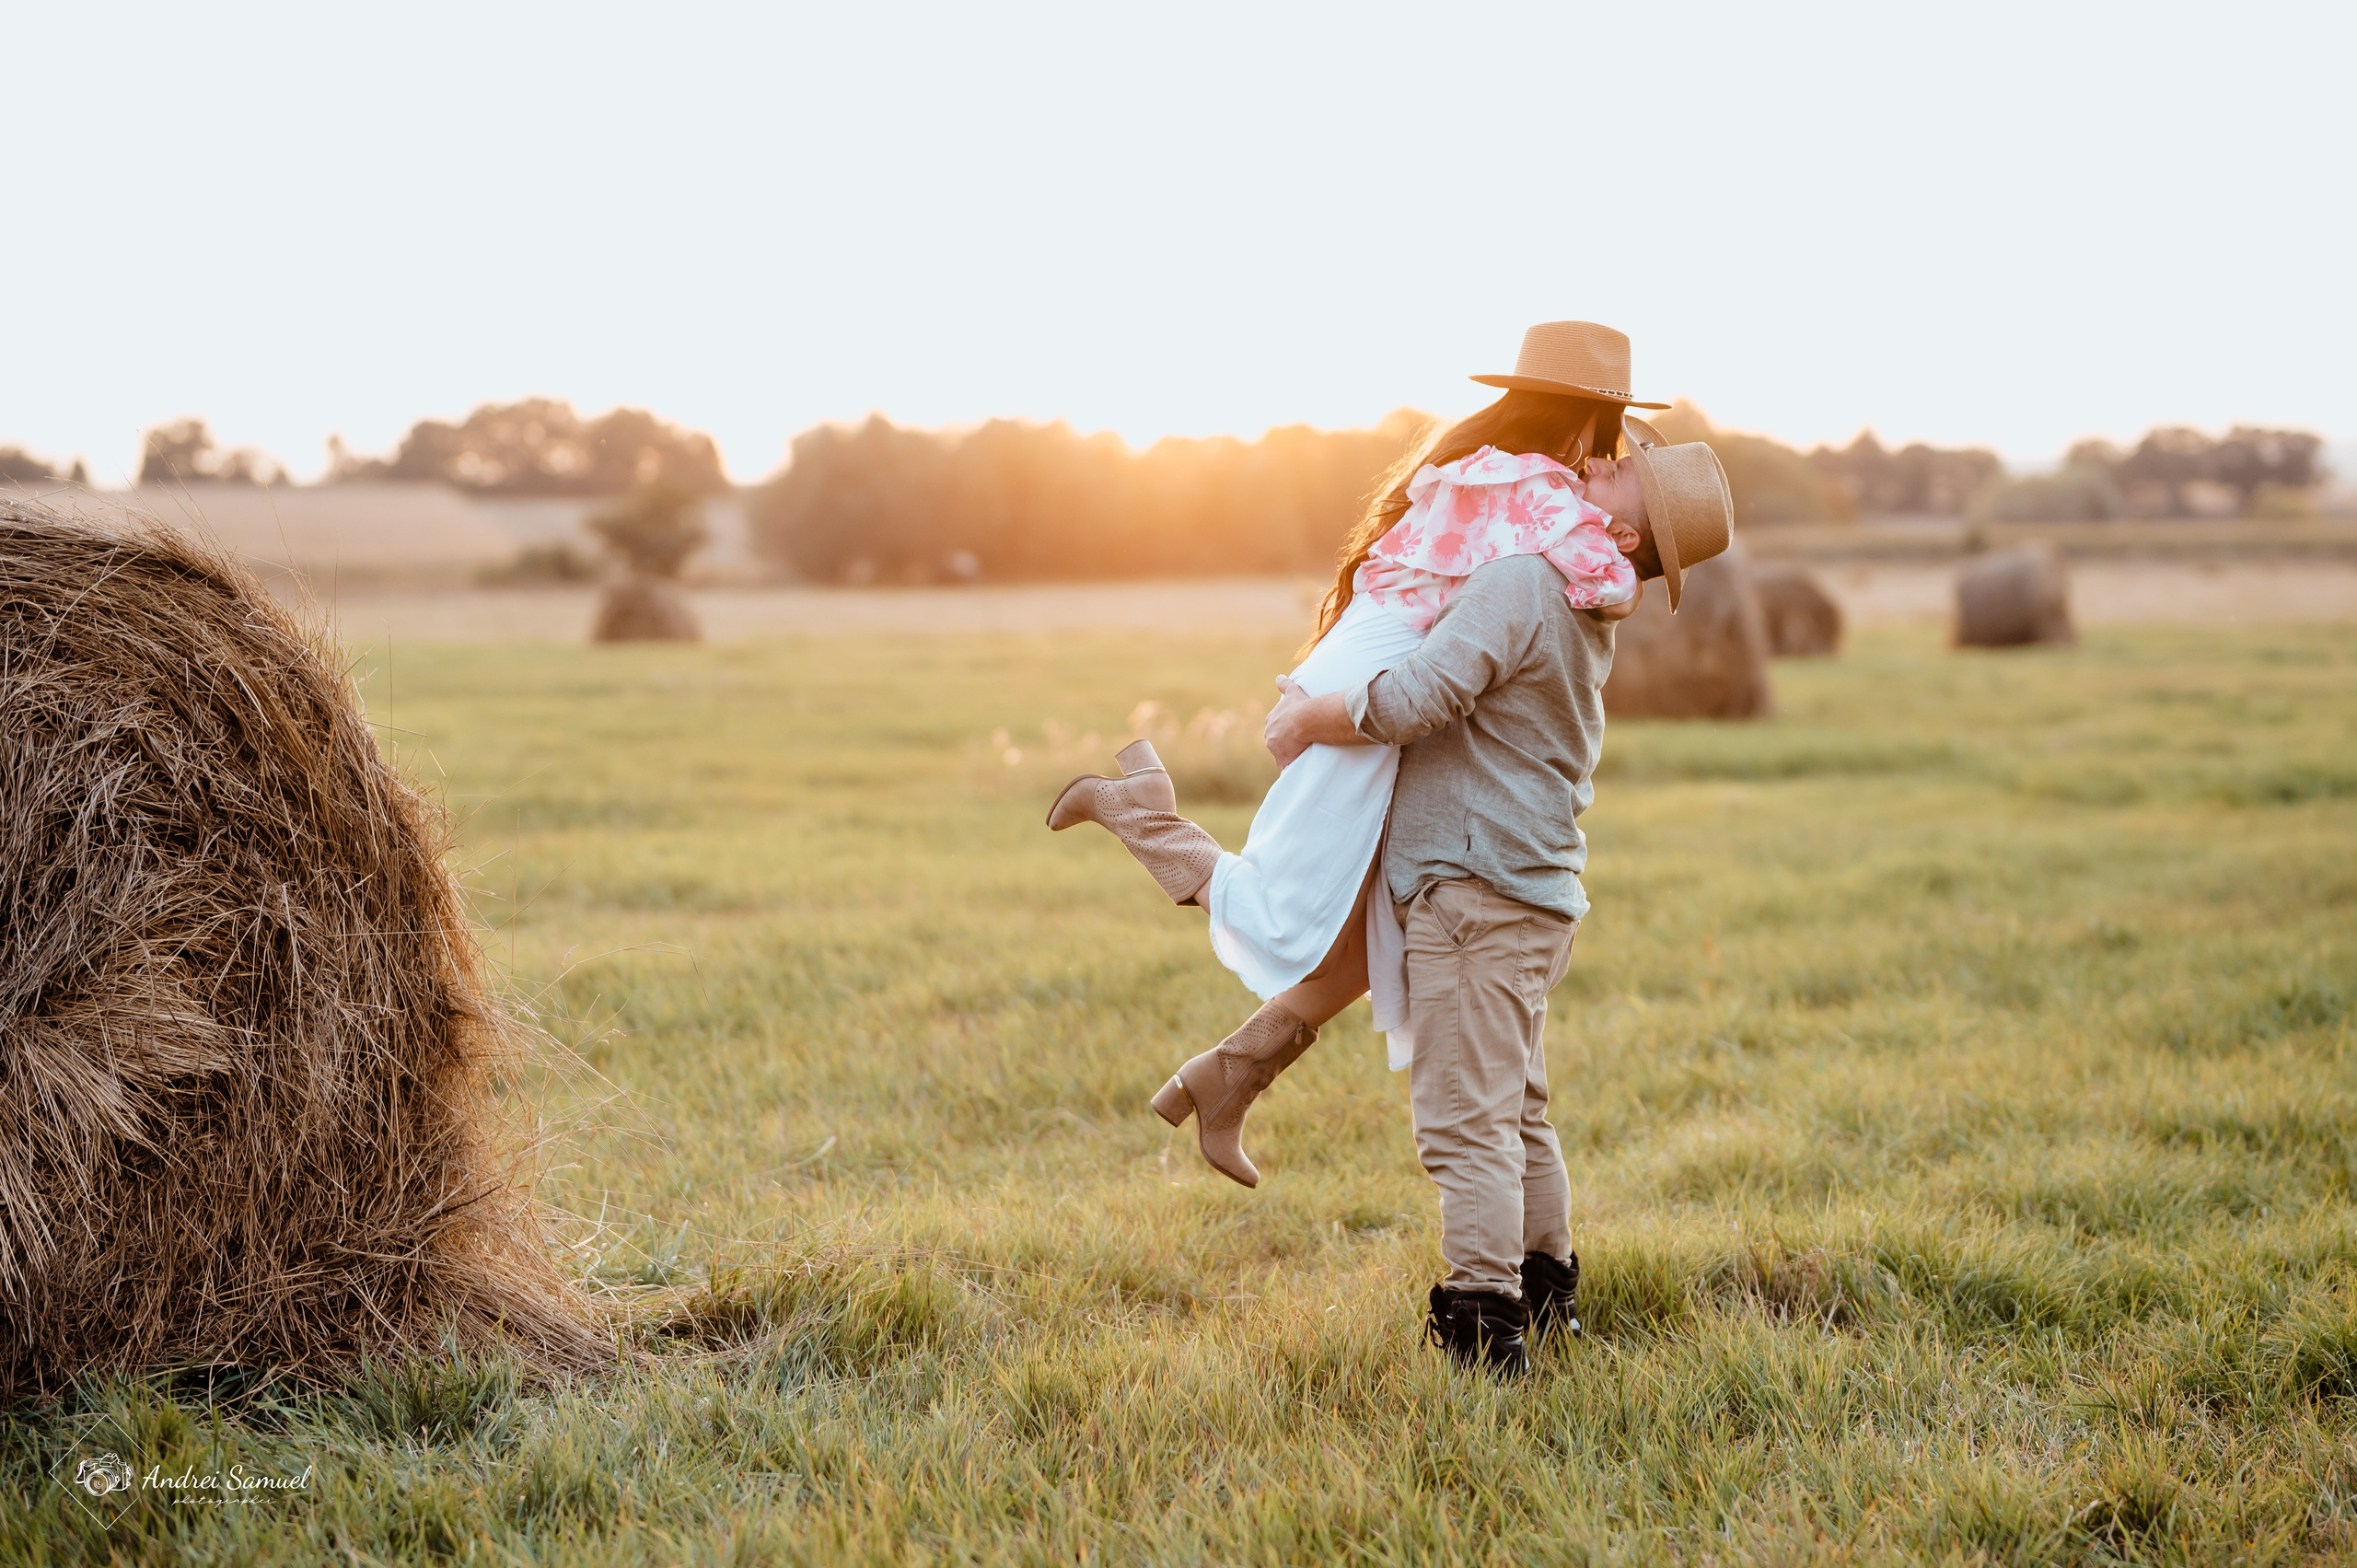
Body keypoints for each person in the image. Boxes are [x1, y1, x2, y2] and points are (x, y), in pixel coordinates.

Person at [1049, 321, 1736, 1372]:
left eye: (1623, 468)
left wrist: (1309, 717)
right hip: (1527, 890)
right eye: (1612, 446)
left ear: (1627, 528)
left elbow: (1418, 696)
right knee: (1517, 1114)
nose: (1604, 462)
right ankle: (1548, 1303)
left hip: (1472, 891)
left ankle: (1483, 1337)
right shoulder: (1581, 597)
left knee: (1464, 1127)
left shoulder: (1523, 579)